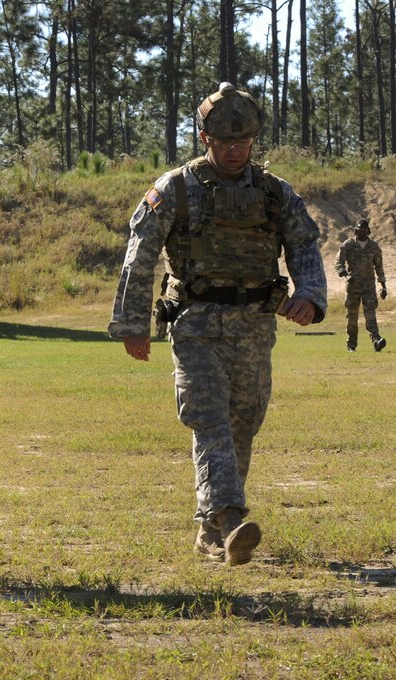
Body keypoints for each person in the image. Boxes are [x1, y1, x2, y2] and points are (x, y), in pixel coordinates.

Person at [107, 82, 328, 566]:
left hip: (254, 327)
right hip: (195, 327)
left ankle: (212, 534)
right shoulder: (176, 188)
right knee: (209, 422)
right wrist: (131, 323)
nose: (233, 150)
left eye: (243, 142)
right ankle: (230, 517)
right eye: (224, 142)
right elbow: (139, 254)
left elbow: (305, 246)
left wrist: (310, 296)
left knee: (243, 424)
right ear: (205, 139)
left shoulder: (273, 193)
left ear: (254, 141)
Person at [335, 218, 387, 352]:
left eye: (364, 231)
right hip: (352, 287)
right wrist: (346, 275)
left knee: (370, 315)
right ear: (355, 231)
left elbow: (379, 267)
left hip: (369, 286)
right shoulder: (348, 245)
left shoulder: (374, 247)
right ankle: (351, 344)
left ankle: (376, 340)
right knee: (352, 316)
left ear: (368, 231)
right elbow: (339, 263)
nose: (362, 233)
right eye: (359, 231)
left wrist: (383, 286)